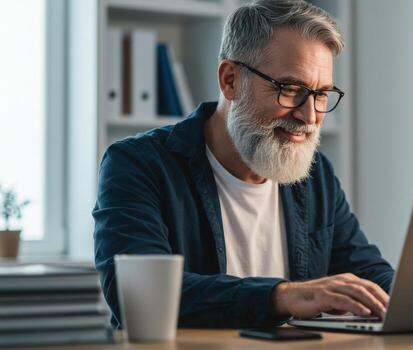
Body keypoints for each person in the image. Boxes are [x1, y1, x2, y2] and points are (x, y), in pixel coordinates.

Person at [93, 0, 394, 329]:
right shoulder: (137, 165)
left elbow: (368, 274)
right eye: (290, 89)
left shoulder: (315, 174)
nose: (309, 116)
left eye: (321, 94)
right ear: (230, 80)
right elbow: (138, 296)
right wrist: (283, 296)